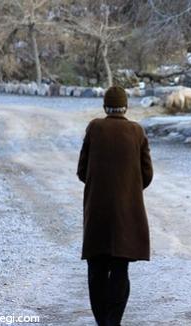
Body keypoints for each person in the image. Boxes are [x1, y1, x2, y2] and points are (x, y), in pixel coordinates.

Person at [77, 86, 153, 326]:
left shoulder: (95, 128)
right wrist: (128, 188)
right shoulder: (137, 131)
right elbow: (147, 174)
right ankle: (113, 322)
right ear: (126, 107)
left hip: (97, 213)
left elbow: (82, 171)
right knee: (120, 270)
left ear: (104, 107)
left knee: (96, 270)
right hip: (126, 214)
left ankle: (102, 321)